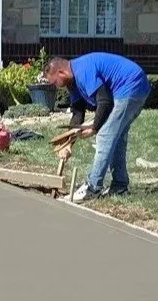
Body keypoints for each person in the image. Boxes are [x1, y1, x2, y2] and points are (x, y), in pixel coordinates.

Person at [43, 50, 152, 201]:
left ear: (61, 72)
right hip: (131, 88)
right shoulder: (73, 82)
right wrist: (68, 143)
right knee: (116, 138)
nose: (56, 87)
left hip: (130, 86)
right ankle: (119, 186)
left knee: (105, 136)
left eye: (55, 82)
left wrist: (94, 128)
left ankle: (92, 188)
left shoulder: (83, 71)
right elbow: (77, 112)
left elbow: (105, 101)